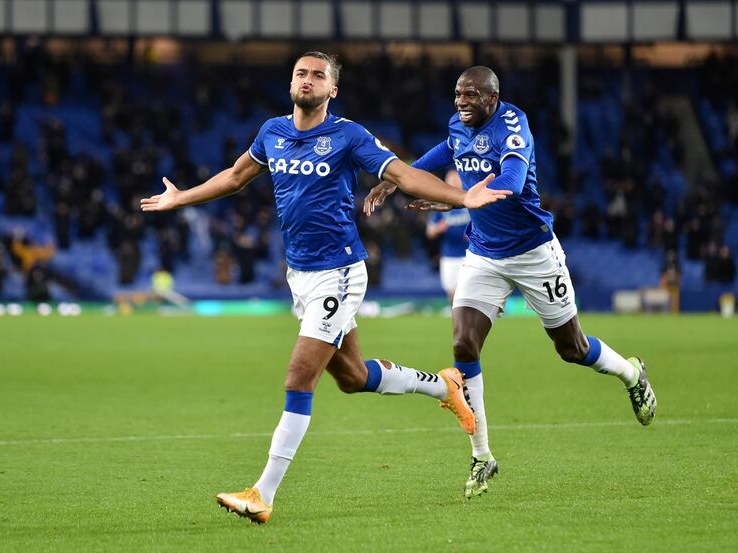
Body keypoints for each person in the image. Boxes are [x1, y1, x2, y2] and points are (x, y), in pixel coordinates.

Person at [140, 52, 512, 523]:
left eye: (319, 75)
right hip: (301, 274)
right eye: (301, 73)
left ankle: (263, 493)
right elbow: (236, 177)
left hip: (339, 273)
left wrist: (462, 195)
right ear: (290, 82)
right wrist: (181, 197)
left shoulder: (348, 135)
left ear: (332, 90)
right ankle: (443, 386)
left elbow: (400, 173)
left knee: (299, 377)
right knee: (353, 377)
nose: (308, 80)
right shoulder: (271, 132)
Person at [365, 66, 657, 499]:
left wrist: (468, 197)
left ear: (492, 97)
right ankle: (482, 456)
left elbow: (515, 181)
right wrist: (397, 179)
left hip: (534, 253)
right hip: (483, 253)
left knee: (571, 349)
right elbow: (448, 151)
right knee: (464, 345)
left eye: (470, 95)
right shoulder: (458, 124)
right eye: (457, 94)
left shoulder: (513, 127)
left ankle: (632, 373)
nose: (460, 101)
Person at [425, 169, 470, 304]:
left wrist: (474, 235)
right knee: (451, 293)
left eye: (456, 180)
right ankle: (458, 319)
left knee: (468, 292)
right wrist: (439, 228)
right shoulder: (440, 205)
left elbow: (483, 226)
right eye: (451, 180)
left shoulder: (469, 202)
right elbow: (429, 232)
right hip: (449, 255)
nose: (454, 183)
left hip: (470, 255)